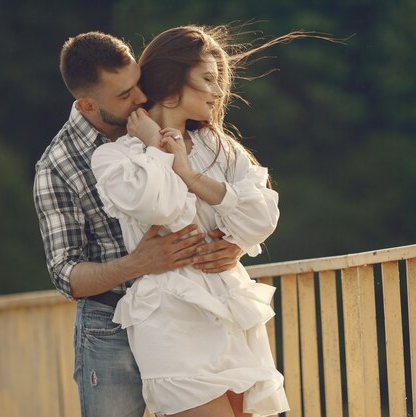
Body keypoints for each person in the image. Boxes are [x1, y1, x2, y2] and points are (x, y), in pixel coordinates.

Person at [33, 31, 244, 417]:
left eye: (138, 83)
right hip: (111, 328)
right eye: (125, 94)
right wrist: (139, 263)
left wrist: (234, 245)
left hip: (185, 317)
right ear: (87, 104)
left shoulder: (176, 126)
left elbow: (226, 204)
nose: (141, 98)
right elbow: (65, 273)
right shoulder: (57, 166)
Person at [90, 25, 293, 417]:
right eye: (208, 79)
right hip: (171, 319)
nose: (218, 92)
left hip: (231, 310)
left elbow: (262, 217)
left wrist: (192, 175)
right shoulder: (116, 158)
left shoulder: (222, 148)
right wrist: (157, 147)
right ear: (171, 83)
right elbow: (161, 208)